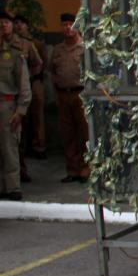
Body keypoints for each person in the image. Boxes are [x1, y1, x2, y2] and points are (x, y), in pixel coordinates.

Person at [50, 14, 90, 184]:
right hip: (63, 94)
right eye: (64, 25)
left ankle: (86, 169)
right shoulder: (58, 50)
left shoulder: (85, 47)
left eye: (70, 24)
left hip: (80, 94)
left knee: (84, 133)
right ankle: (73, 169)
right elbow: (52, 70)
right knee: (67, 133)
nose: (67, 28)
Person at [0, 12, 31, 200]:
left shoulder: (15, 52)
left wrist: (21, 110)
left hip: (7, 104)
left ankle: (12, 187)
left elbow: (24, 84)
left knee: (9, 147)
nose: (3, 26)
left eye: (6, 22)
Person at [13, 16, 47, 161]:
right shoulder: (11, 43)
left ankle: (39, 146)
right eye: (16, 23)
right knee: (21, 116)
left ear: (27, 25)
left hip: (34, 82)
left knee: (37, 115)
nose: (19, 26)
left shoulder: (34, 43)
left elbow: (42, 62)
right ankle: (23, 147)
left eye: (22, 23)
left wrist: (33, 76)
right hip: (17, 85)